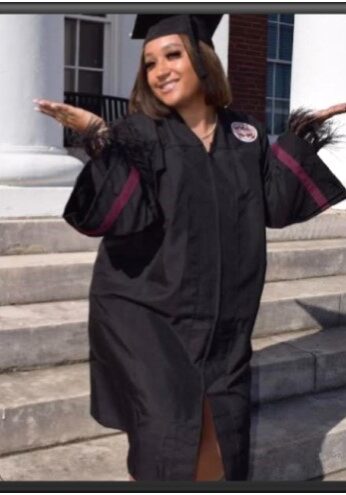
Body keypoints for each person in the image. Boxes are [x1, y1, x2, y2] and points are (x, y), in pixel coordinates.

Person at [34, 14, 346, 482]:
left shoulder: (246, 134)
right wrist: (102, 137)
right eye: (150, 63)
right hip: (146, 316)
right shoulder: (138, 135)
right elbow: (105, 217)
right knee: (167, 434)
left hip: (224, 321)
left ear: (205, 59)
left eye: (173, 55)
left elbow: (277, 205)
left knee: (221, 433)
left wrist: (299, 138)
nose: (160, 70)